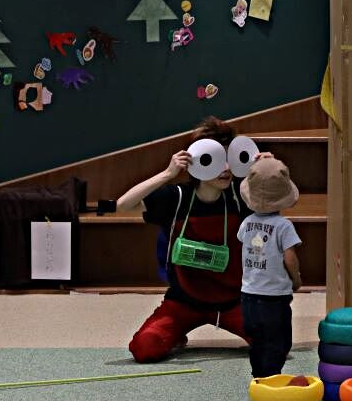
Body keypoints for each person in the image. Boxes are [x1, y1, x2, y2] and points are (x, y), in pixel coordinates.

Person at [117, 117, 268, 362]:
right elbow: (123, 205)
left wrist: (267, 170)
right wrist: (168, 173)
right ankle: (176, 333)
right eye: (215, 159)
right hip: (184, 301)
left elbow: (282, 202)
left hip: (234, 300)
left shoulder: (242, 195)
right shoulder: (177, 197)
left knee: (273, 342)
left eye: (230, 159)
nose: (225, 168)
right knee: (144, 348)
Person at [237, 157, 303, 377]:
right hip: (274, 297)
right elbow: (290, 258)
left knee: (258, 340)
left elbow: (243, 242)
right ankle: (272, 380)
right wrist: (296, 279)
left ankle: (259, 377)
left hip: (248, 294)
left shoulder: (246, 222)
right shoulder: (284, 226)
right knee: (280, 341)